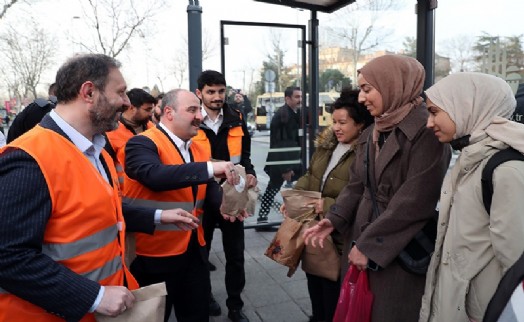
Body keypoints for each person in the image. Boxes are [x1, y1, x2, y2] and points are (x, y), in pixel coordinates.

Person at [0, 54, 200, 321]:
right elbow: (8, 257)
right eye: (120, 92)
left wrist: (158, 216)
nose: (127, 102)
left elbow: (104, 209)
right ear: (89, 92)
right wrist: (93, 296)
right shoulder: (28, 157)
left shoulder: (97, 151)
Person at [303, 54, 451, 322]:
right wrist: (334, 219)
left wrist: (370, 246)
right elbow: (357, 184)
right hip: (362, 241)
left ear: (392, 84)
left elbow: (414, 201)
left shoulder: (426, 132)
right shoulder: (376, 127)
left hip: (396, 252)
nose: (361, 98)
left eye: (367, 89)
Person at [123, 88, 240, 322]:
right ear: (168, 112)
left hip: (194, 249)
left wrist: (228, 205)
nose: (199, 115)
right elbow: (153, 175)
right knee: (155, 317)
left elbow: (206, 190)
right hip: (153, 256)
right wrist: (210, 168)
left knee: (196, 313)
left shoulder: (197, 146)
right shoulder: (142, 143)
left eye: (199, 109)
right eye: (192, 110)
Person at [419, 72, 524, 322]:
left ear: (467, 107)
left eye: (435, 112)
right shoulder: (471, 158)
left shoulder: (505, 170)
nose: (429, 123)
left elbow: (515, 264)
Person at [282, 88, 373, 322]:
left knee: (334, 299)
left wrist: (328, 204)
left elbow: (364, 195)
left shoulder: (366, 153)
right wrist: (295, 198)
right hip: (315, 235)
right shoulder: (326, 146)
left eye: (343, 122)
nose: (336, 128)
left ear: (361, 124)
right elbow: (311, 175)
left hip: (340, 239)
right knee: (316, 291)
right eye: (334, 122)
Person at [194, 70, 256, 322]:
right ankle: (206, 297)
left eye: (221, 91)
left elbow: (246, 157)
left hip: (233, 197)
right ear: (200, 93)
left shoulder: (237, 118)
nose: (217, 96)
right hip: (203, 198)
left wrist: (250, 173)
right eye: (211, 92)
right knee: (201, 255)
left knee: (235, 256)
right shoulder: (191, 120)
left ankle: (235, 305)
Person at [258, 86, 303, 224]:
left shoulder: (291, 113)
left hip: (289, 159)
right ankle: (262, 218)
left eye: (301, 97)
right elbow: (282, 144)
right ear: (287, 98)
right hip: (282, 161)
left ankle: (263, 217)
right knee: (273, 188)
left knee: (275, 188)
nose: (300, 100)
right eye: (297, 97)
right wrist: (286, 168)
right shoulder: (284, 116)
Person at [105, 87, 156, 188]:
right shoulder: (111, 132)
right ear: (132, 108)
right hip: (124, 196)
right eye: (147, 110)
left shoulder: (153, 128)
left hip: (150, 193)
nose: (151, 114)